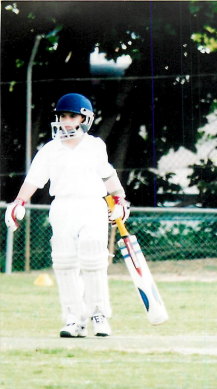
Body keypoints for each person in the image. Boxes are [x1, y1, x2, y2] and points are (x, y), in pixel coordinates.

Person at [4, 93, 130, 338]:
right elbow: (34, 180)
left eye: (72, 116)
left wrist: (121, 199)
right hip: (62, 208)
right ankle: (74, 319)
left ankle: (99, 315)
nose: (66, 121)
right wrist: (19, 201)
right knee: (64, 263)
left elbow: (108, 176)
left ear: (85, 118)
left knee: (93, 257)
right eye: (63, 116)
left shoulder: (95, 146)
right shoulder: (50, 150)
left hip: (92, 205)